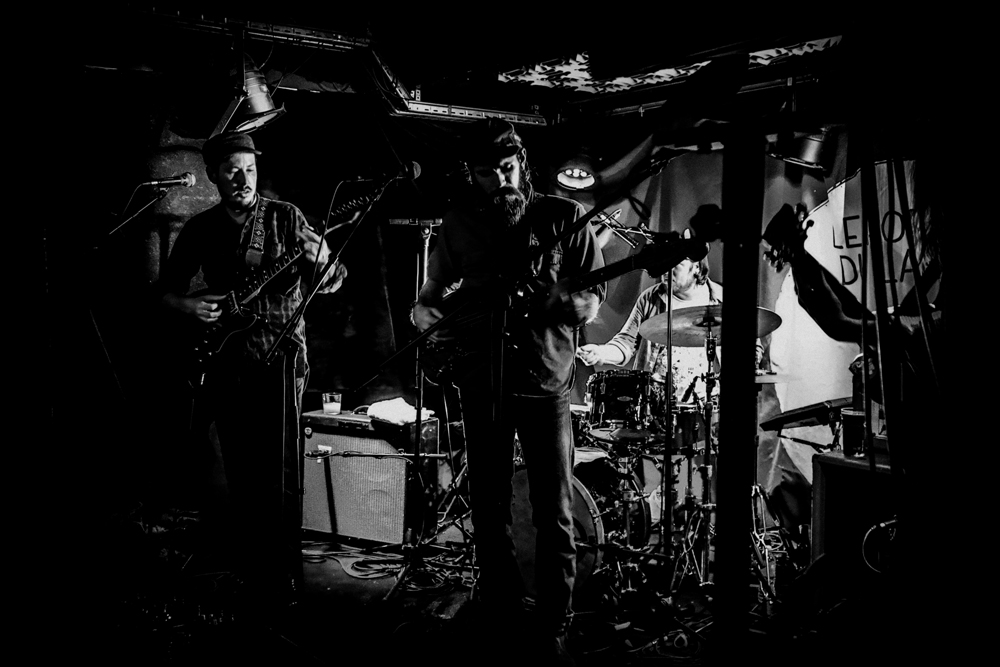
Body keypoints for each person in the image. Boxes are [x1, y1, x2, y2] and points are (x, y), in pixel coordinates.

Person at [411, 119, 605, 664]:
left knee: (554, 509)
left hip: (546, 380)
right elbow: (430, 292)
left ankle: (554, 621)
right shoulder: (459, 222)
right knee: (488, 504)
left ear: (522, 163)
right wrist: (423, 313)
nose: (501, 182)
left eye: (507, 169)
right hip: (481, 378)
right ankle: (502, 607)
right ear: (471, 175)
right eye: (487, 173)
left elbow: (593, 298)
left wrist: (572, 304)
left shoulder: (564, 216)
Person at [160, 131, 347, 612]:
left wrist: (325, 262)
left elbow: (332, 282)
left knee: (281, 474)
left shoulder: (286, 217)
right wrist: (187, 305)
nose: (243, 179)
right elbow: (165, 292)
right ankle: (249, 573)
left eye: (250, 169)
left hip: (282, 359)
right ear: (213, 176)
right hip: (227, 360)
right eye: (232, 171)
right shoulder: (201, 228)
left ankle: (284, 581)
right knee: (241, 472)